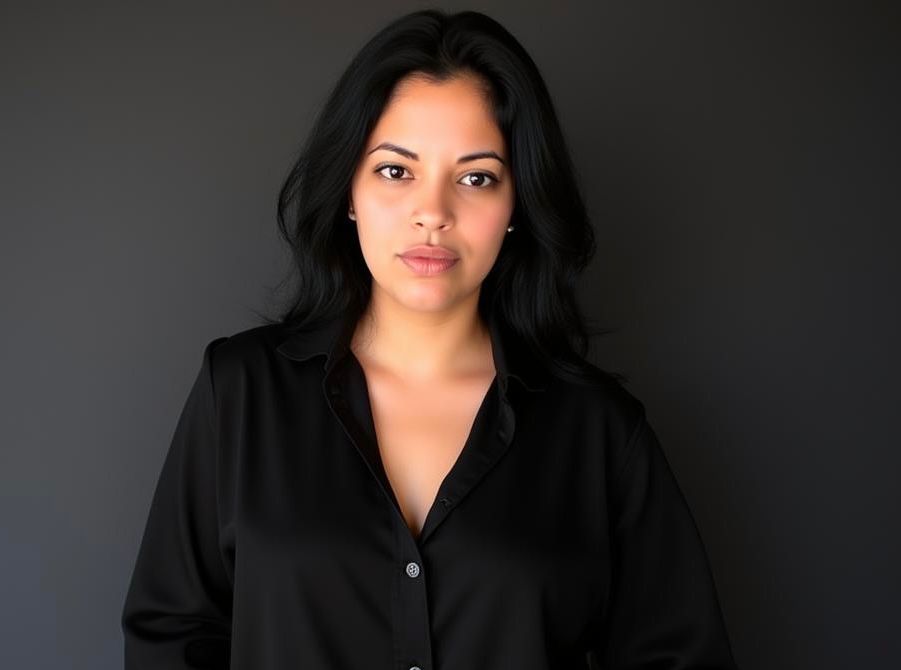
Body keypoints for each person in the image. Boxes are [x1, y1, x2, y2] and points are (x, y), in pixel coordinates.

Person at [121, 8, 739, 670]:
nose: (433, 214)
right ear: (350, 188)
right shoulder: (240, 391)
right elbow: (171, 636)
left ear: (515, 207)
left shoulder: (597, 434)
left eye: (475, 177)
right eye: (396, 170)